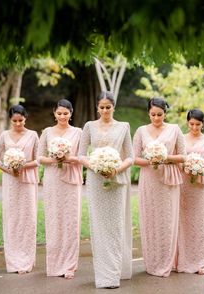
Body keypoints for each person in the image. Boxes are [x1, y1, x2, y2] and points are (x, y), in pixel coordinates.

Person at [78, 91, 133, 289]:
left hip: (116, 181)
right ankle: (103, 276)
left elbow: (130, 157)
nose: (104, 111)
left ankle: (115, 274)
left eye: (108, 107)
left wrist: (115, 169)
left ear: (113, 107)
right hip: (95, 180)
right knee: (99, 226)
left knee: (115, 226)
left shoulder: (123, 127)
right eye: (101, 107)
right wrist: (96, 166)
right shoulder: (89, 126)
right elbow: (81, 155)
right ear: (97, 108)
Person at [133, 97, 186, 277]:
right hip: (149, 180)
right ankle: (151, 263)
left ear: (165, 113)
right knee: (150, 220)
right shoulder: (141, 131)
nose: (156, 118)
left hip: (168, 180)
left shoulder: (175, 129)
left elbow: (183, 157)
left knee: (167, 220)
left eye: (160, 114)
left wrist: (164, 158)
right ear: (148, 113)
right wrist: (151, 160)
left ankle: (166, 263)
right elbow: (135, 158)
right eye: (153, 114)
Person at [38, 98, 82, 279]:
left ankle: (70, 265)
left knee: (71, 220)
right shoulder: (47, 132)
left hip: (71, 179)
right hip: (53, 179)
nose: (62, 116)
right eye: (59, 113)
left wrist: (68, 157)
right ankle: (55, 264)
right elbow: (39, 157)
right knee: (54, 219)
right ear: (54, 113)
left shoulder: (78, 132)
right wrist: (56, 159)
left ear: (71, 114)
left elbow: (81, 156)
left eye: (66, 113)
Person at [0, 105, 39, 274]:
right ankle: (13, 260)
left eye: (21, 120)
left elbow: (39, 159)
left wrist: (23, 165)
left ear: (25, 118)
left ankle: (27, 259)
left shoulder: (33, 135)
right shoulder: (4, 136)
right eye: (14, 121)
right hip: (10, 182)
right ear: (10, 120)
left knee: (28, 219)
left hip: (27, 181)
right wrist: (9, 169)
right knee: (12, 219)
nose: (18, 123)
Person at [177, 109, 204, 275]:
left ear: (203, 124)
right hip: (184, 185)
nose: (194, 127)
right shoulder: (181, 139)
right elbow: (178, 161)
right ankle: (183, 258)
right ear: (188, 123)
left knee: (200, 223)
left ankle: (201, 261)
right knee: (184, 222)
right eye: (192, 124)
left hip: (202, 186)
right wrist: (186, 166)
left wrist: (202, 168)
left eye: (198, 124)